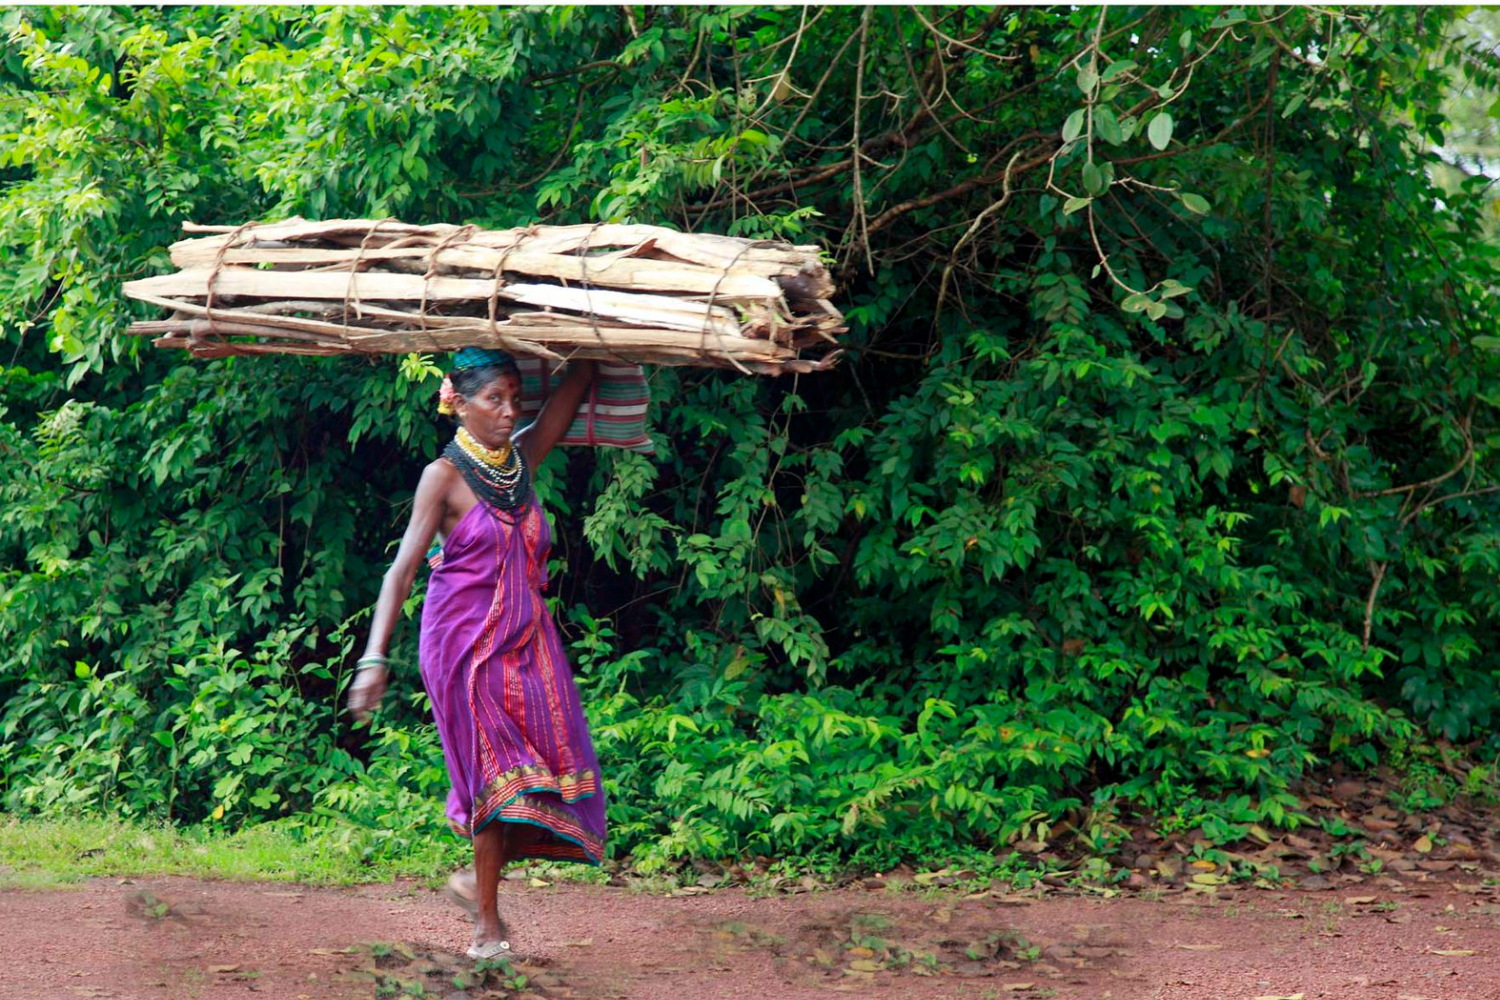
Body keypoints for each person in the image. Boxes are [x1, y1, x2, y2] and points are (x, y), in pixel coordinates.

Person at [347, 347, 606, 960]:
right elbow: (402, 571)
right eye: (494, 399)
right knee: (496, 776)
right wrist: (373, 659)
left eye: (515, 398)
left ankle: (473, 881)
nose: (507, 411)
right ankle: (487, 925)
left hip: (529, 642)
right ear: (457, 404)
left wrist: (590, 332)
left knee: (554, 778)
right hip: (464, 648)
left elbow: (573, 389)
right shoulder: (443, 477)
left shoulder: (518, 460)